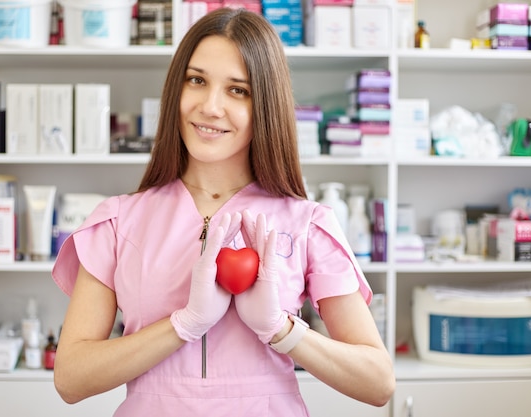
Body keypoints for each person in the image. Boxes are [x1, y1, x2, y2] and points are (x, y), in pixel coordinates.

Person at [51, 7, 395, 416]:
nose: (210, 107)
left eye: (238, 90)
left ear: (265, 105)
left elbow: (378, 382)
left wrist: (280, 330)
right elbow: (70, 378)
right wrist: (183, 325)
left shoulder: (307, 225)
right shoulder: (119, 221)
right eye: (196, 81)